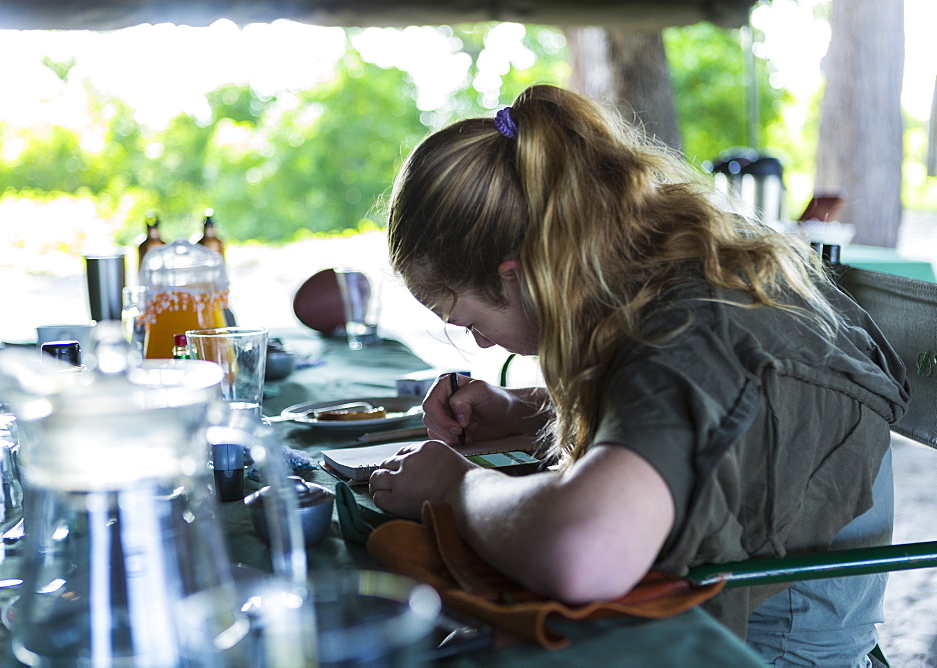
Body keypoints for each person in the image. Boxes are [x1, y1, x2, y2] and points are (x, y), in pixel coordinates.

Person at [369, 84, 910, 666]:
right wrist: (523, 407)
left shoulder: (696, 329)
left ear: (518, 274)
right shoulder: (682, 271)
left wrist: (455, 486)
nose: (480, 340)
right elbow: (699, 420)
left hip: (765, 650)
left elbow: (587, 554)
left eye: (468, 320)